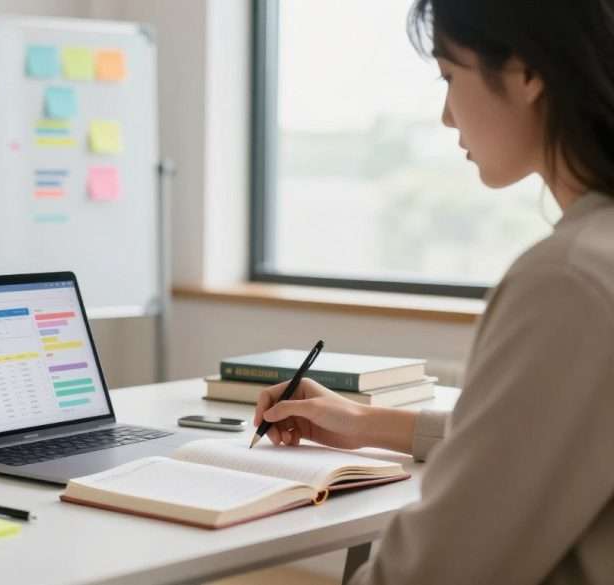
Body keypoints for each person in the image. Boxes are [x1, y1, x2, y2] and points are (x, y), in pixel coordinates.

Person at [252, 0, 614, 583]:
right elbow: (535, 439)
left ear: (526, 72)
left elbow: (435, 570)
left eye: (450, 76)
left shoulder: (568, 283)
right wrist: (362, 421)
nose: (446, 117)